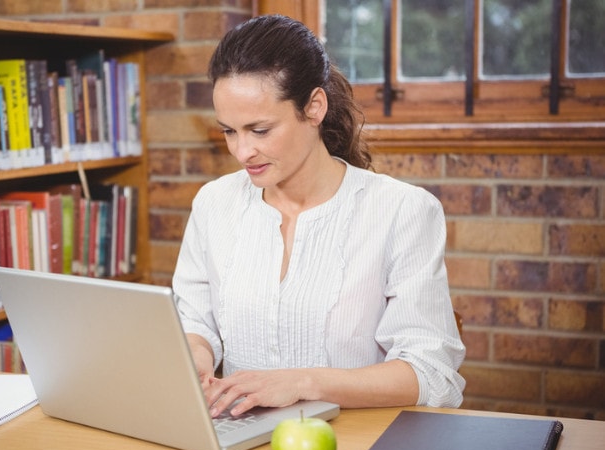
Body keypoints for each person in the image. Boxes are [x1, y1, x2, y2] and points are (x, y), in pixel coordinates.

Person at [172, 14, 466, 418]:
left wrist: (301, 383)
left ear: (314, 107)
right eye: (229, 131)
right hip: (238, 441)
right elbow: (195, 324)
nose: (242, 153)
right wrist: (196, 360)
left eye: (259, 130)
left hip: (358, 445)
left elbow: (431, 374)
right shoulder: (213, 204)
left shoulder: (402, 211)